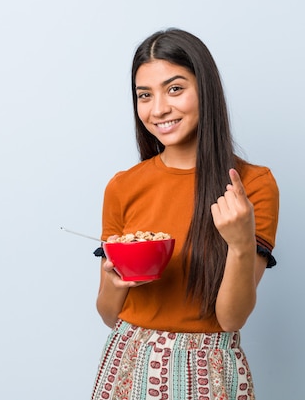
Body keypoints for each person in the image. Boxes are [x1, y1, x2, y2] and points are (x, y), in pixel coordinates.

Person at [91, 28, 279, 400]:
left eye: (175, 89)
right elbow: (108, 315)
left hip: (209, 370)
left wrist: (241, 244)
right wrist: (115, 284)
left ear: (205, 90)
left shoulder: (252, 185)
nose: (158, 108)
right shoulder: (122, 186)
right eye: (145, 95)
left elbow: (231, 319)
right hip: (128, 363)